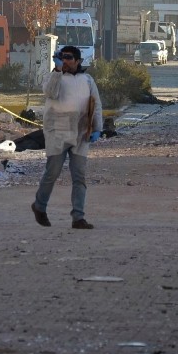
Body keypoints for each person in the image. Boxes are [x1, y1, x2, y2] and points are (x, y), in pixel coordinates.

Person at [31, 45, 104, 230]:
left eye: (69, 57)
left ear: (78, 61)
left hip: (80, 132)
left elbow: (96, 104)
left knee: (79, 176)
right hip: (57, 131)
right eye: (62, 57)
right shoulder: (54, 77)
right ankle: (39, 206)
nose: (65, 61)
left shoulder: (87, 79)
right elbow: (50, 93)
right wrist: (56, 71)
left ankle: (78, 217)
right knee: (52, 173)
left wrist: (97, 128)